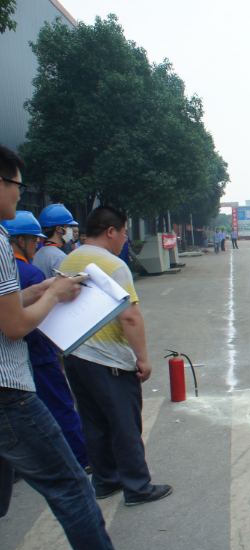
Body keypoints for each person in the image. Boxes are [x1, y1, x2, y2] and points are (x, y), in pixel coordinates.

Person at [0, 145, 121, 550]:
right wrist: (52, 294)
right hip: (8, 391)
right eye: (16, 184)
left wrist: (38, 291)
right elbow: (13, 326)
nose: (19, 193)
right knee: (71, 488)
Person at [60, 206, 173, 507]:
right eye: (124, 232)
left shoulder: (69, 259)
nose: (125, 239)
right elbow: (130, 317)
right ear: (111, 231)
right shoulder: (112, 264)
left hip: (76, 356)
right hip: (108, 359)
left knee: (94, 423)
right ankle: (138, 487)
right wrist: (142, 359)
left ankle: (105, 481)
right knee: (125, 425)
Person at [3, 211, 89, 471]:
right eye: (33, 240)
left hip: (21, 359)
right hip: (37, 353)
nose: (36, 245)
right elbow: (34, 320)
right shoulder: (29, 271)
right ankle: (82, 460)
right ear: (21, 241)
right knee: (61, 407)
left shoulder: (31, 263)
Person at [32, 203, 78, 279]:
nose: (70, 230)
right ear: (59, 229)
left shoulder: (38, 253)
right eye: (67, 226)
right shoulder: (60, 257)